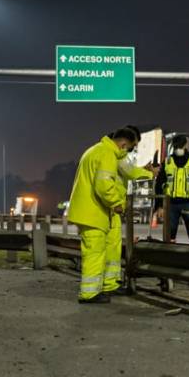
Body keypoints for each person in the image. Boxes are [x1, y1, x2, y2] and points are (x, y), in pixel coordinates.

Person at [68, 127, 141, 304]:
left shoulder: (95, 150)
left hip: (90, 212)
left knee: (99, 251)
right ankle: (89, 294)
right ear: (123, 144)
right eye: (129, 148)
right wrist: (116, 203)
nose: (127, 151)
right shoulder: (108, 154)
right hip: (93, 213)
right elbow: (104, 186)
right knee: (94, 253)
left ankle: (102, 288)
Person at [155, 134, 189, 245]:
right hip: (171, 204)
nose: (178, 148)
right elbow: (159, 185)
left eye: (180, 146)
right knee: (169, 238)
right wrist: (160, 206)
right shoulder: (167, 161)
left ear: (185, 145)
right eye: (176, 146)